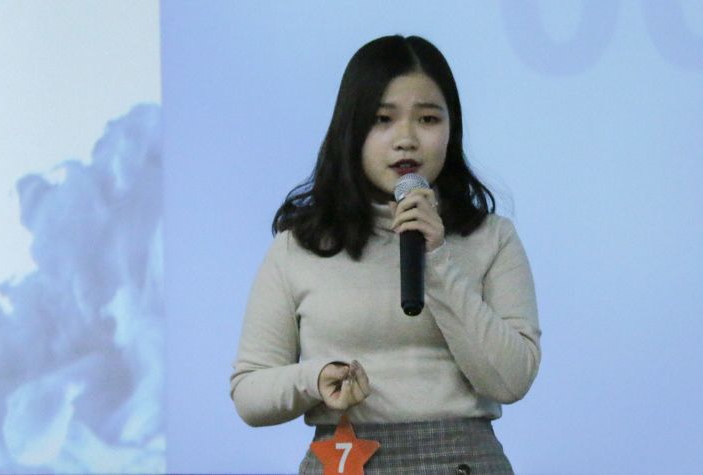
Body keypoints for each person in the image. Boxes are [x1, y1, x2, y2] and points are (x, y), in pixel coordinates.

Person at [230, 34, 541, 474]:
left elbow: (511, 380)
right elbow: (249, 393)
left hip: (464, 461)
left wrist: (437, 261)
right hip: (345, 460)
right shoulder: (299, 246)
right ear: (351, 129)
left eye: (428, 119)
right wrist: (314, 378)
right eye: (382, 119)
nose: (406, 139)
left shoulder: (491, 237)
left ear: (451, 130)